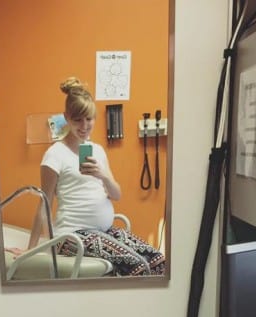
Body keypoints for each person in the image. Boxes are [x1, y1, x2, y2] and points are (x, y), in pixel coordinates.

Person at [29, 77, 165, 276]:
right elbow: (44, 204)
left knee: (158, 261)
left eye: (89, 119)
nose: (84, 126)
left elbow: (116, 194)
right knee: (138, 266)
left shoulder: (98, 151)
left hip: (105, 231)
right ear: (67, 117)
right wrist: (31, 248)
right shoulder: (55, 155)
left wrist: (103, 176)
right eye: (77, 119)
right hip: (72, 237)